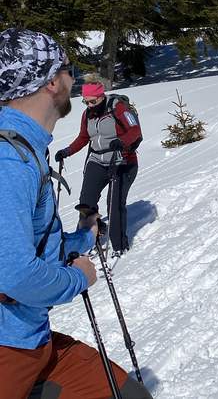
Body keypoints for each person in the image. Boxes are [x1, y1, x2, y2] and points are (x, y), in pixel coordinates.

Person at [0, 28, 152, 398]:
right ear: (52, 81)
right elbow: (15, 274)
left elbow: (25, 247)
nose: (76, 80)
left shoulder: (24, 151)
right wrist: (78, 278)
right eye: (69, 69)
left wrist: (83, 236)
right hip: (9, 350)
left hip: (34, 341)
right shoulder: (10, 161)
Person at [55, 73, 142, 257]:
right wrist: (67, 151)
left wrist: (122, 141)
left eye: (93, 102)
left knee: (114, 202)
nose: (89, 106)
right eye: (86, 102)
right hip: (97, 160)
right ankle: (91, 236)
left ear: (102, 96)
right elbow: (84, 137)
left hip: (122, 161)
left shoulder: (118, 108)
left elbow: (135, 130)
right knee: (86, 203)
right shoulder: (88, 114)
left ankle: (119, 246)